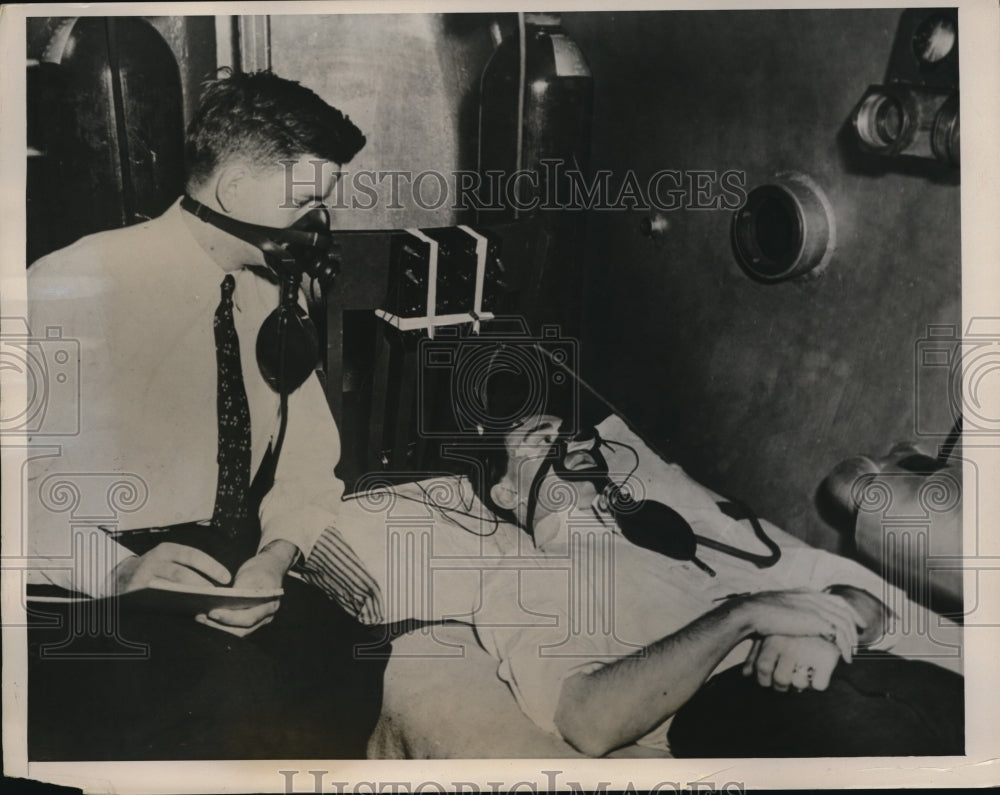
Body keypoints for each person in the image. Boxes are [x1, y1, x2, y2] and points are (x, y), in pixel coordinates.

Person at [25, 70, 386, 760]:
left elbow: (309, 466)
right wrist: (114, 573)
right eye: (306, 201)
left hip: (223, 565)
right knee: (232, 698)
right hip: (86, 579)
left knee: (350, 651)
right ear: (232, 192)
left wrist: (276, 559)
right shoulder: (70, 285)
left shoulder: (276, 295)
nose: (318, 224)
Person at [466, 412, 964, 757]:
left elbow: (872, 605)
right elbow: (588, 723)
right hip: (737, 704)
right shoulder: (524, 575)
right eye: (532, 439)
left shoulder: (679, 531)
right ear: (507, 492)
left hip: (858, 663)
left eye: (562, 428)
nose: (559, 435)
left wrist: (829, 619)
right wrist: (744, 616)